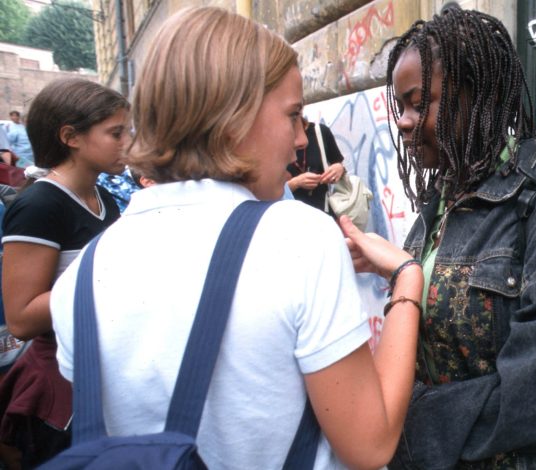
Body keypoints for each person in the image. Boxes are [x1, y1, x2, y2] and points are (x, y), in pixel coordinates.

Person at [49, 7, 422, 470]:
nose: (302, 139)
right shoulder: (298, 239)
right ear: (233, 119)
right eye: (292, 115)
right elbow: (370, 445)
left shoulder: (82, 274)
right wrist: (407, 279)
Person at [384, 6, 536, 468]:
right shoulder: (441, 203)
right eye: (401, 107)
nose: (405, 122)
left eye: (418, 102)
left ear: (479, 94)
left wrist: (396, 425)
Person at [0, 78, 128, 468]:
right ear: (71, 136)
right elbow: (22, 318)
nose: (129, 143)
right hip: (59, 379)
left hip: (97, 366)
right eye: (116, 132)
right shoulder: (39, 205)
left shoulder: (103, 197)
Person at [287, 117, 346, 213]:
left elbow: (339, 164)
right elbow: (269, 193)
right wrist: (296, 183)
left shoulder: (320, 132)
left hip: (324, 211)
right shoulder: (274, 141)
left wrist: (339, 169)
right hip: (292, 215)